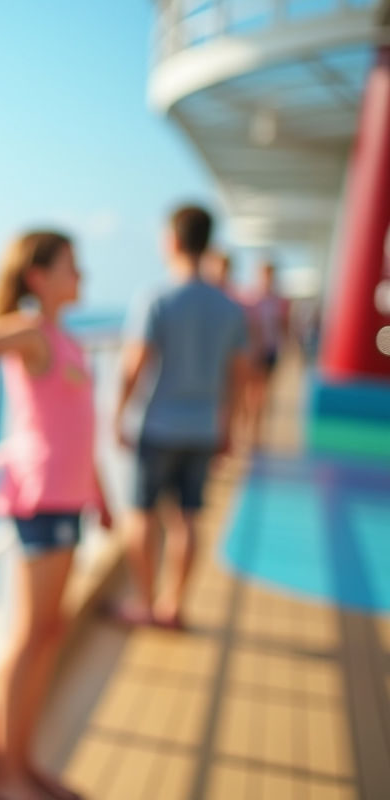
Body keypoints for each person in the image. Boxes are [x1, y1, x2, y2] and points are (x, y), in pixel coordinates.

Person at [0, 231, 111, 800]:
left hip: (70, 500)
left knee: (50, 630)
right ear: (39, 276)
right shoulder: (33, 332)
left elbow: (81, 427)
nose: (81, 276)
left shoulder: (65, 340)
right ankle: (8, 773)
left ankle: (25, 761)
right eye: (71, 266)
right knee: (30, 635)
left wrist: (102, 495)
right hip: (41, 501)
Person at [113, 205, 248, 630]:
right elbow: (239, 375)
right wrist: (229, 428)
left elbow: (135, 364)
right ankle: (173, 606)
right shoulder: (229, 307)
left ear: (171, 240)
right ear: (208, 242)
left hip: (157, 425)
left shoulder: (156, 297)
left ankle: (143, 601)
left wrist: (119, 413)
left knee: (142, 514)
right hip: (204, 426)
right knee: (188, 517)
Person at [244, 260, 289, 446]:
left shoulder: (279, 301)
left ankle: (257, 433)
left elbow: (284, 326)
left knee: (263, 394)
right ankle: (248, 429)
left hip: (271, 350)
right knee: (251, 393)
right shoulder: (251, 299)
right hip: (254, 352)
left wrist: (288, 349)